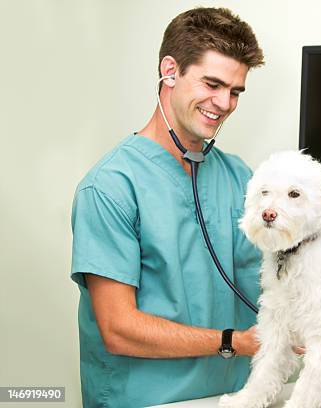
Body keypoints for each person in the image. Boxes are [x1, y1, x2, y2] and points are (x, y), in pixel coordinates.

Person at [72, 7, 275, 407]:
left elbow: (272, 274)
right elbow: (119, 328)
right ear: (170, 70)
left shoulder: (239, 177)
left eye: (235, 91)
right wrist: (233, 342)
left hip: (231, 394)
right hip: (146, 398)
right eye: (213, 84)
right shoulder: (110, 187)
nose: (225, 103)